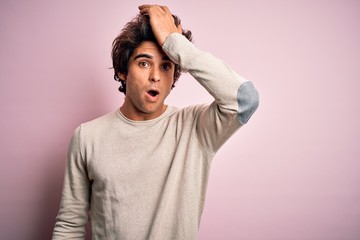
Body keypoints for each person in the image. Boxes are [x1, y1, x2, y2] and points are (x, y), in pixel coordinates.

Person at [52, 4, 259, 240]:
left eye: (166, 65)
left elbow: (245, 99)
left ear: (174, 76)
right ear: (122, 70)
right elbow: (69, 226)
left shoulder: (195, 128)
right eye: (144, 63)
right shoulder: (87, 137)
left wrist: (177, 43)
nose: (155, 76)